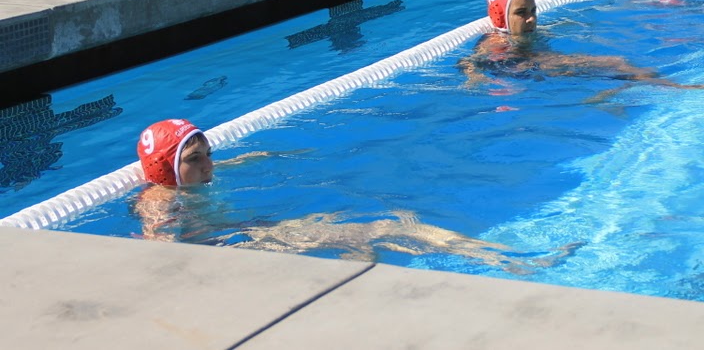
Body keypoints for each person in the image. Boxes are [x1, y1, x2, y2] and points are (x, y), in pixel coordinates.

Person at [132, 119, 570, 268]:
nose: (209, 163)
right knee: (369, 233)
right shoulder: (160, 201)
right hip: (239, 244)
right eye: (195, 158)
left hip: (248, 232)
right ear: (167, 168)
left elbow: (231, 163)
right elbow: (160, 253)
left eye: (209, 152)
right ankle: (501, 258)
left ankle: (498, 255)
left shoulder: (190, 181)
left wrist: (267, 154)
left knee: (382, 230)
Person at [460, 0, 704, 89]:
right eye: (521, 13)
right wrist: (473, 76)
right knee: (617, 63)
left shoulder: (523, 33)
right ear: (501, 16)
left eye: (534, 11)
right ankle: (677, 87)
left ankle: (612, 92)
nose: (531, 18)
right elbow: (468, 62)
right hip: (526, 69)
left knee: (613, 68)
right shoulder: (495, 40)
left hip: (537, 66)